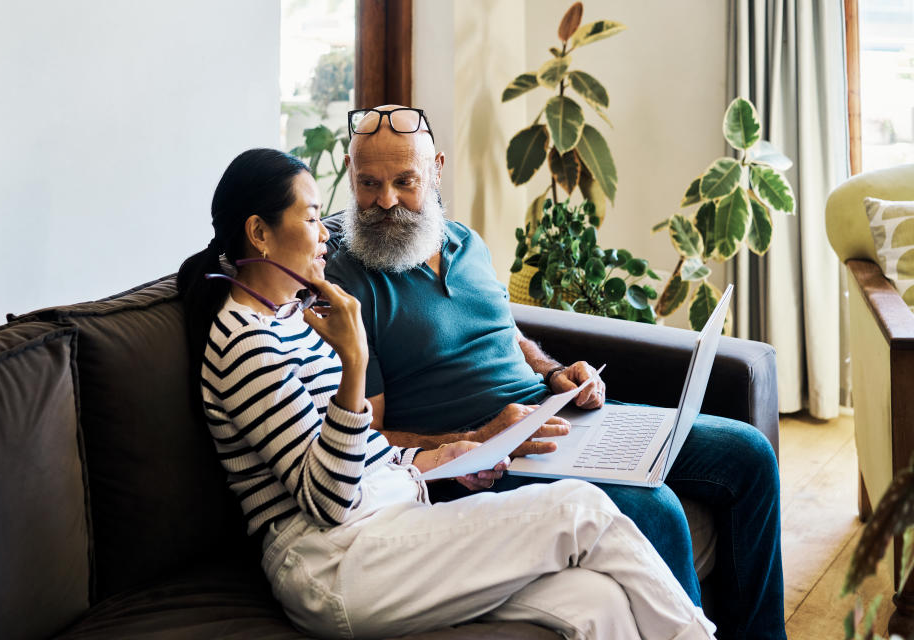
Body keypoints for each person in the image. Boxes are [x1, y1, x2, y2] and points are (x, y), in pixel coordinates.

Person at [176, 148, 715, 640]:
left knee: (597, 602)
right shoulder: (243, 343)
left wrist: (440, 458)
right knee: (581, 509)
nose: (327, 236)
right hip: (334, 562)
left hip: (391, 519)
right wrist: (355, 364)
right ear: (259, 233)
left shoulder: (292, 315)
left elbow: (360, 455)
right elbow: (328, 499)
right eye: (313, 217)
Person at [324, 106, 786, 640]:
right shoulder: (347, 283)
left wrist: (554, 372)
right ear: (351, 174)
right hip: (485, 462)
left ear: (436, 170)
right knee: (654, 508)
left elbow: (508, 335)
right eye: (368, 183)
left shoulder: (464, 242)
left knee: (748, 453)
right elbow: (367, 440)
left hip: (551, 417)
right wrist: (475, 440)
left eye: (404, 181)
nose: (385, 201)